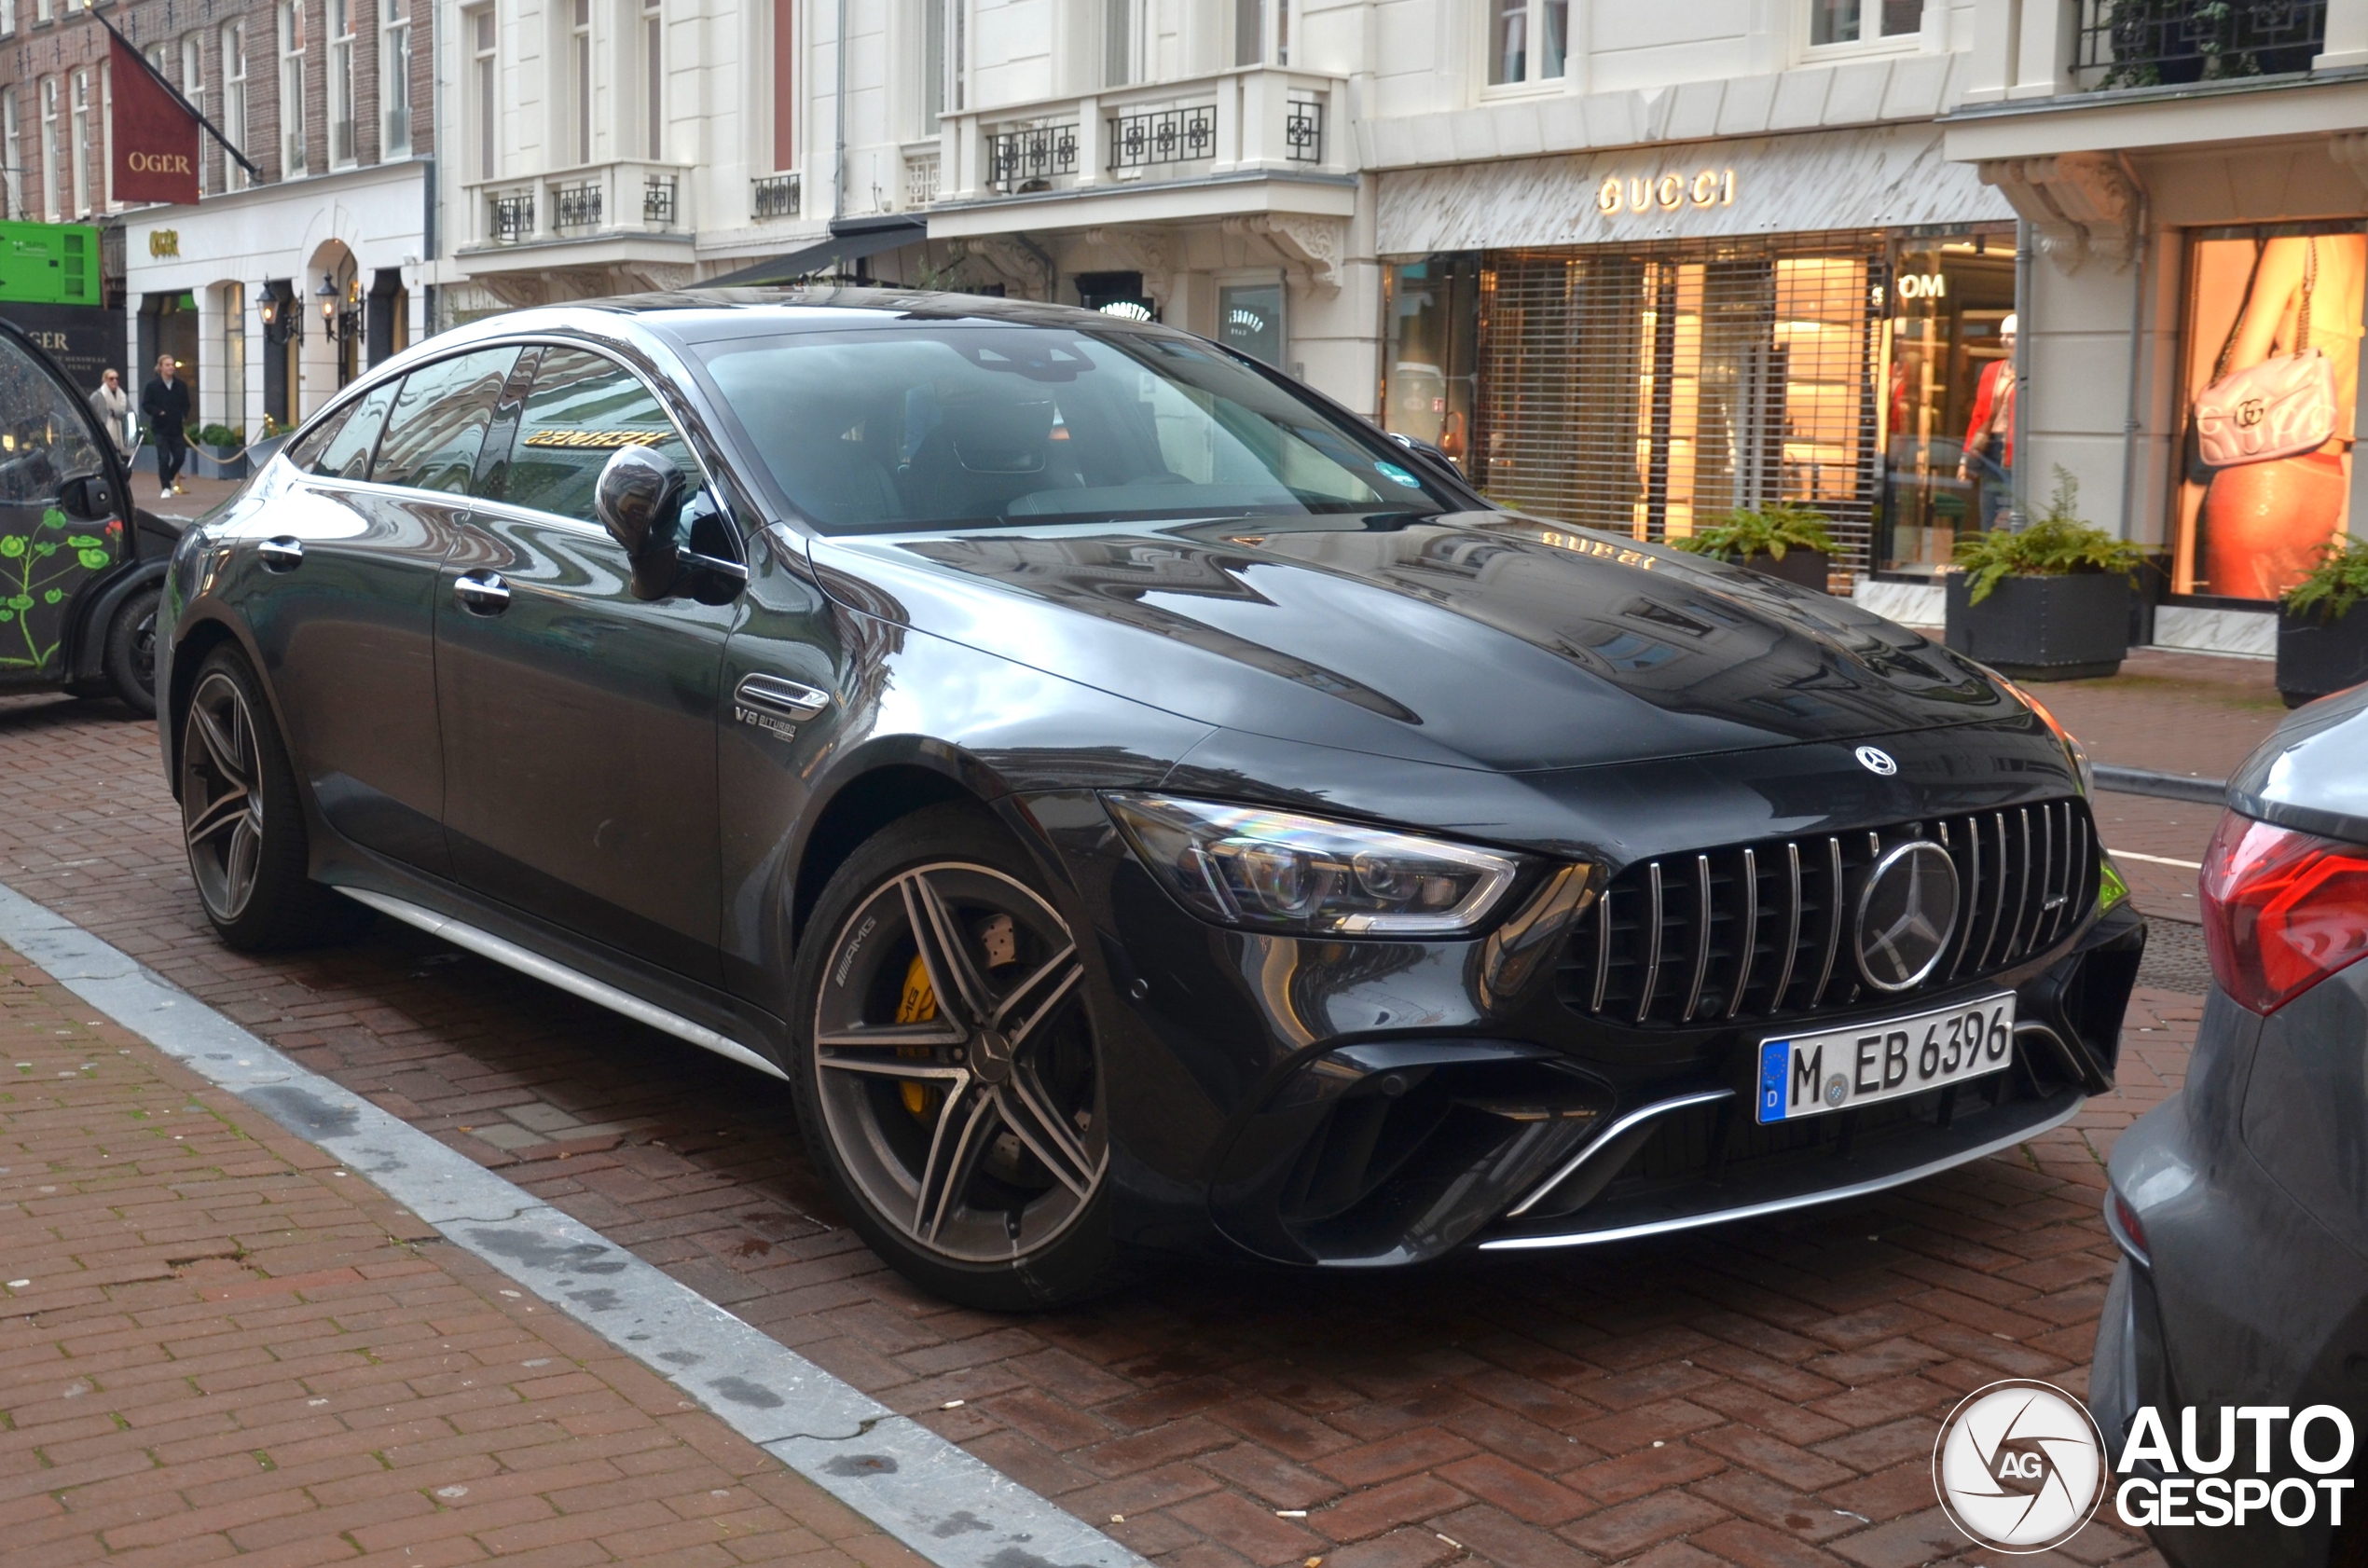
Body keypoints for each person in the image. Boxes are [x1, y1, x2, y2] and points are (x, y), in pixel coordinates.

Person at [1957, 313, 2016, 530]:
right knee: (1989, 513)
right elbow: (1979, 416)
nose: (2005, 340)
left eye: (2011, 335)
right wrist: (1966, 458)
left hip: (2015, 449)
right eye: (2002, 335)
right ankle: (1987, 559)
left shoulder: (2031, 370)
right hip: (1990, 448)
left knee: (2013, 515)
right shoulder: (1992, 370)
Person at [140, 353, 191, 500]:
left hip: (176, 428)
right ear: (160, 367)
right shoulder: (152, 386)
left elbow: (186, 404)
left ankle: (167, 476)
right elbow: (146, 404)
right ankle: (166, 487)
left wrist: (183, 415)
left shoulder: (180, 385)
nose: (171, 367)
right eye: (167, 365)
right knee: (163, 457)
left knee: (180, 456)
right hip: (160, 428)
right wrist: (158, 412)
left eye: (172, 364)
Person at [86, 368, 131, 463]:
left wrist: (116, 413)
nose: (115, 381)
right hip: (105, 437)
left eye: (117, 378)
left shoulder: (123, 396)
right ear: (105, 380)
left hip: (122, 438)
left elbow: (130, 414)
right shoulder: (97, 396)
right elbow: (89, 415)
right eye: (111, 378)